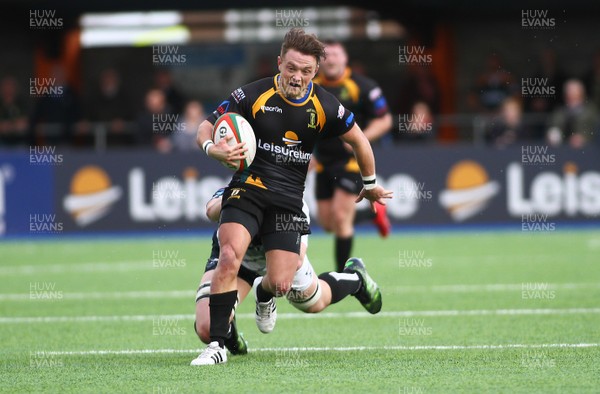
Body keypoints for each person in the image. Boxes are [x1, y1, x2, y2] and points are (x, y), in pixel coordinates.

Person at [193, 28, 393, 365]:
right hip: (249, 190)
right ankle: (219, 345)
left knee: (293, 289)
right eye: (291, 68)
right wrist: (213, 149)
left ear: (315, 71)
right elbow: (206, 126)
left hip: (287, 202)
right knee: (221, 279)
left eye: (305, 71)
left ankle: (351, 278)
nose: (297, 77)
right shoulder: (252, 94)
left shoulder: (326, 104)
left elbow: (360, 141)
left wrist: (370, 182)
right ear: (279, 64)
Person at [190, 188, 382, 365]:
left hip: (278, 260)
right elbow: (210, 211)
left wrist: (267, 288)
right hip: (236, 260)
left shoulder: (290, 200)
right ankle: (229, 335)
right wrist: (235, 198)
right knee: (207, 328)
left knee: (313, 302)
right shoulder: (240, 186)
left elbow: (295, 260)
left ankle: (355, 278)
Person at [311, 39, 393, 273]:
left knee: (340, 216)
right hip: (323, 163)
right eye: (327, 55)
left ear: (345, 59)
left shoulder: (363, 85)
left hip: (350, 162)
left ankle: (340, 276)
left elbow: (385, 119)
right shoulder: (312, 85)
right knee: (327, 223)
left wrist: (361, 138)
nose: (332, 59)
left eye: (336, 54)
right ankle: (371, 214)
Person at [546, 78, 599, 149]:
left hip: (588, 150)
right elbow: (554, 126)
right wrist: (553, 134)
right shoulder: (560, 111)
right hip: (563, 149)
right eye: (568, 92)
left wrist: (584, 138)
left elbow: (595, 130)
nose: (570, 95)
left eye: (574, 93)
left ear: (581, 93)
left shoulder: (590, 111)